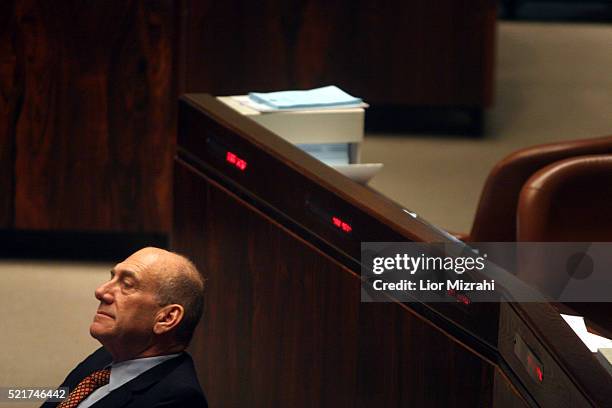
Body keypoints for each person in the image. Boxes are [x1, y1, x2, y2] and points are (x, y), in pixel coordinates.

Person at [41, 247, 208, 408]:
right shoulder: (104, 358)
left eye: (127, 284)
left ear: (166, 318)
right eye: (111, 278)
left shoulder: (178, 399)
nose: (100, 291)